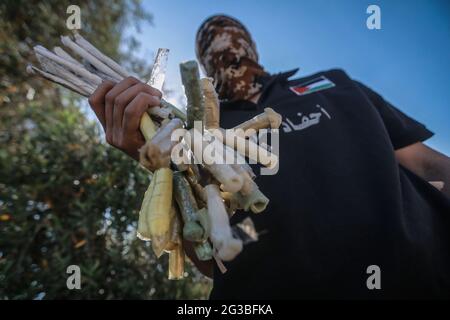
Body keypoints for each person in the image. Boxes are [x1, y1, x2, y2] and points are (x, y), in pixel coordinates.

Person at [88, 14, 450, 299]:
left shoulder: (335, 83)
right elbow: (210, 257)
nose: (224, 43)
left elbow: (424, 162)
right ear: (202, 61)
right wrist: (149, 153)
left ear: (252, 45)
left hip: (421, 274)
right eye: (210, 40)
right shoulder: (191, 130)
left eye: (231, 32)